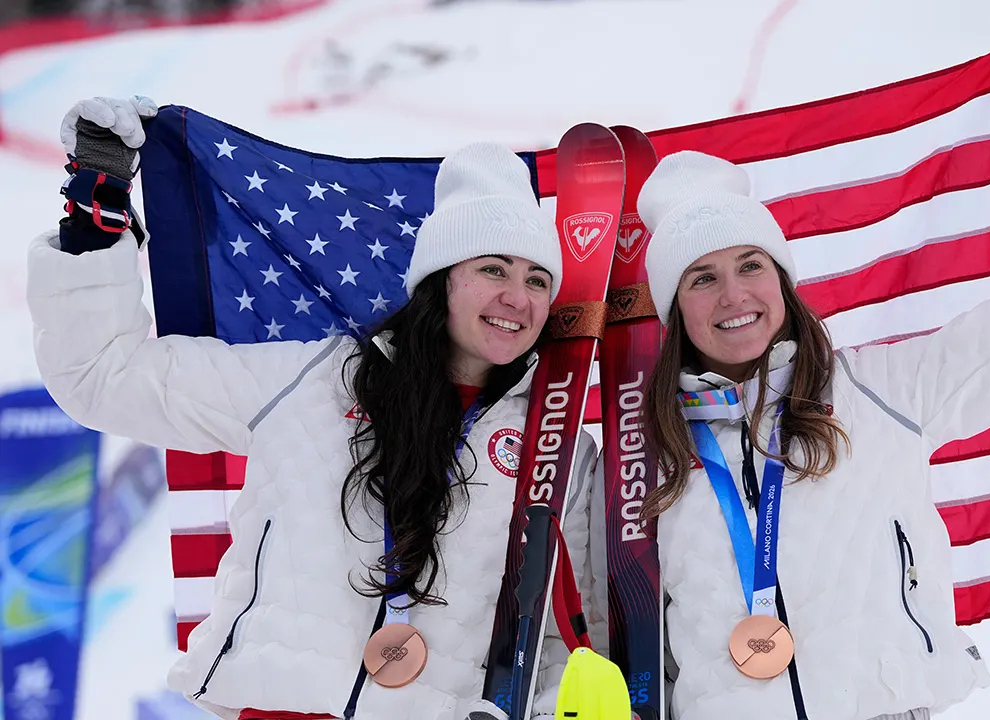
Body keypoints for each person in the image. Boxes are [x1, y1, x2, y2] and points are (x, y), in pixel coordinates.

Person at [27, 96, 602, 720]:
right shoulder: (313, 379)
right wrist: (95, 213)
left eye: (538, 279)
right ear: (441, 279)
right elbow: (102, 377)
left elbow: (564, 633)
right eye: (494, 268)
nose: (516, 297)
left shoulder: (558, 439)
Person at [631, 10, 990, 720]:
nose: (734, 294)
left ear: (784, 283)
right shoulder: (643, 453)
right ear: (673, 307)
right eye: (701, 278)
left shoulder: (879, 391)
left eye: (751, 265)